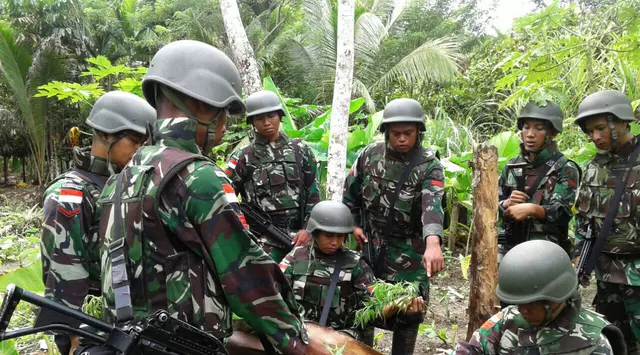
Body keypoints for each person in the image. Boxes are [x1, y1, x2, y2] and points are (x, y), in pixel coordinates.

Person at [96, 40, 327, 355]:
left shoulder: (122, 177)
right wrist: (298, 343)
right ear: (203, 107)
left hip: (130, 342)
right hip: (183, 345)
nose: (223, 125)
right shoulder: (197, 177)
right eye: (223, 113)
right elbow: (248, 279)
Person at [40, 91, 156, 354]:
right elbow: (63, 272)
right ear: (105, 134)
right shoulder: (71, 194)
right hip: (90, 326)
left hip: (130, 317)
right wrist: (71, 337)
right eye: (134, 140)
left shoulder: (128, 183)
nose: (139, 150)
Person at [343, 98, 445, 354]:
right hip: (369, 246)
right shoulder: (369, 155)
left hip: (408, 251)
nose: (402, 139)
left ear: (418, 132)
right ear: (386, 132)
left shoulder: (428, 164)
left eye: (408, 133)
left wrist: (433, 242)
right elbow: (350, 194)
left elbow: (432, 205)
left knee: (409, 312)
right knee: (363, 307)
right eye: (396, 133)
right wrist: (354, 225)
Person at [279, 200, 424, 341]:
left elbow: (372, 310)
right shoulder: (295, 257)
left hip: (342, 337)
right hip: (301, 333)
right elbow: (274, 293)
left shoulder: (355, 263)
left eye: (340, 236)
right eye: (328, 236)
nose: (335, 242)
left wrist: (397, 307)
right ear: (315, 233)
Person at [454, 240, 626, 355]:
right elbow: (472, 349)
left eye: (530, 305)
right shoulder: (508, 320)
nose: (522, 311)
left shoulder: (594, 340)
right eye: (518, 303)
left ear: (555, 299)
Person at [574, 90, 640, 354]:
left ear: (622, 121)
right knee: (615, 343)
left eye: (600, 128)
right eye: (590, 132)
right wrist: (578, 257)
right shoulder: (593, 167)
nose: (595, 137)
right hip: (605, 275)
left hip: (637, 274)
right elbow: (584, 220)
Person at [226, 90, 320, 262]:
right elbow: (227, 198)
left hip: (300, 239)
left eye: (271, 116)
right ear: (252, 122)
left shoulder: (300, 150)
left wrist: (308, 229)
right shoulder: (243, 157)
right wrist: (245, 233)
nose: (267, 123)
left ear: (280, 116)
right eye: (260, 118)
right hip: (261, 241)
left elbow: (313, 193)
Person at [498, 100, 580, 260]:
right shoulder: (512, 166)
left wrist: (533, 209)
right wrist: (506, 204)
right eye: (526, 127)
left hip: (546, 251)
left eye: (539, 128)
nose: (530, 134)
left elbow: (563, 212)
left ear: (553, 133)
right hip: (509, 248)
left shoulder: (564, 168)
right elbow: (491, 205)